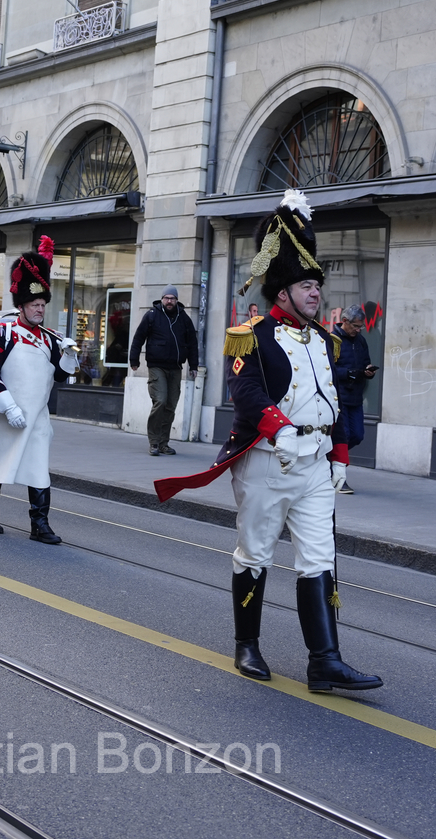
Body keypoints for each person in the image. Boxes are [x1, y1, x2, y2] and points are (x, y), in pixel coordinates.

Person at [153, 189, 382, 694]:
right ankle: (247, 644)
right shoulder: (250, 335)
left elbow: (335, 402)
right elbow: (248, 394)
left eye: (316, 284)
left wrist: (340, 455)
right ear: (282, 293)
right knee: (255, 552)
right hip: (267, 463)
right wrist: (280, 430)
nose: (315, 292)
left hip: (316, 465)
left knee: (319, 558)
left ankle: (324, 661)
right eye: (305, 285)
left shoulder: (326, 340)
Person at [0, 236, 79, 543]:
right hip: (6, 411)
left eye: (42, 305)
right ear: (21, 305)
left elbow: (60, 377)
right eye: (35, 304)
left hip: (36, 417)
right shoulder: (3, 331)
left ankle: (40, 523)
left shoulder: (49, 338)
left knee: (38, 469)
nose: (40, 309)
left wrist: (69, 355)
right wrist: (9, 407)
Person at [128, 284, 200, 456]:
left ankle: (163, 444)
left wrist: (194, 366)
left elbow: (192, 344)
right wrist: (134, 360)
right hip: (156, 366)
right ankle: (154, 442)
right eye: (167, 298)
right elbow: (139, 338)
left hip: (175, 368)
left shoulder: (184, 318)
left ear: (176, 300)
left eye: (172, 298)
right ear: (162, 299)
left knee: (170, 406)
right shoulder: (152, 316)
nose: (169, 301)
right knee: (160, 400)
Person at [330, 304, 377, 496]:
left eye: (361, 327)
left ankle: (329, 460)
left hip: (355, 396)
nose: (358, 330)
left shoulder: (361, 341)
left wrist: (368, 371)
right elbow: (328, 369)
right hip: (338, 396)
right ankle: (337, 473)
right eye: (356, 326)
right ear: (345, 321)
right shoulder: (332, 340)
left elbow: (365, 361)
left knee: (357, 435)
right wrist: (347, 373)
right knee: (344, 435)